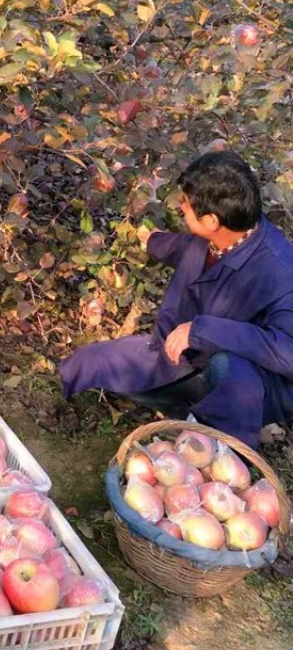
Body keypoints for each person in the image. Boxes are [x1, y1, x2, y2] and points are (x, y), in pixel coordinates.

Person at [59, 151, 293, 448]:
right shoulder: (223, 233)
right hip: (184, 357)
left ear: (211, 220)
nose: (181, 206)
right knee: (91, 363)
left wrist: (204, 331)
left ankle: (226, 445)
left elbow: (289, 351)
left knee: (229, 368)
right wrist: (151, 240)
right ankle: (190, 413)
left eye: (186, 205)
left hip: (246, 381)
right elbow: (189, 249)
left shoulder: (281, 270)